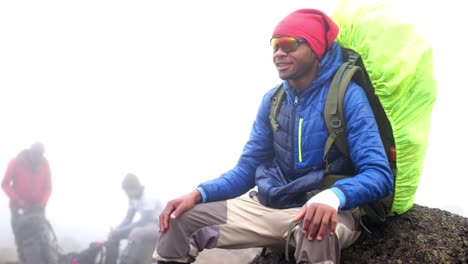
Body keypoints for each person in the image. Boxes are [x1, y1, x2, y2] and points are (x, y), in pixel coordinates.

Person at [154, 8, 394, 264]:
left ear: (315, 48)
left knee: (316, 232)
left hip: (325, 211)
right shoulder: (273, 101)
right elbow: (247, 169)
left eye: (289, 45)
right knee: (180, 221)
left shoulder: (348, 96)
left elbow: (379, 174)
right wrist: (200, 193)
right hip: (268, 206)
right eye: (275, 46)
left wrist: (333, 196)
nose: (279, 54)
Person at [2, 142, 53, 263]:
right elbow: (5, 184)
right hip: (18, 210)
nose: (37, 157)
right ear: (30, 152)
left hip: (37, 210)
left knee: (43, 240)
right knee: (22, 243)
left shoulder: (45, 164)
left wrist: (42, 203)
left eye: (40, 155)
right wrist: (17, 199)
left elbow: (48, 187)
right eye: (35, 154)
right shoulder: (15, 162)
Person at [105, 173, 163, 264]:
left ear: (135, 188)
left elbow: (143, 220)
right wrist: (115, 231)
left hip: (158, 226)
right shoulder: (132, 198)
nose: (127, 194)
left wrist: (118, 231)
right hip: (146, 225)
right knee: (113, 237)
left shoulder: (148, 196)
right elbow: (128, 218)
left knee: (135, 233)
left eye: (128, 191)